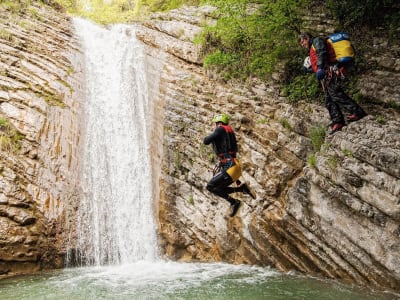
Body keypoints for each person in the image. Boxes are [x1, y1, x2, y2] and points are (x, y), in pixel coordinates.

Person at [298, 32, 366, 134]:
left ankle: (358, 112)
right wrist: (313, 69)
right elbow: (317, 61)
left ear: (307, 38)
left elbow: (322, 53)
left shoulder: (317, 41)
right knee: (328, 99)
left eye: (302, 42)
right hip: (325, 75)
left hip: (330, 72)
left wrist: (320, 68)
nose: (302, 45)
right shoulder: (312, 48)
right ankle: (337, 121)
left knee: (335, 94)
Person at [203, 113, 256, 217]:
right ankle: (242, 189)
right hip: (234, 166)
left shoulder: (220, 129)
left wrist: (211, 135)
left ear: (218, 123)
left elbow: (206, 141)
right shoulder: (229, 131)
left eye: (214, 124)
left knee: (210, 186)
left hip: (230, 166)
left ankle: (234, 202)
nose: (213, 126)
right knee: (218, 188)